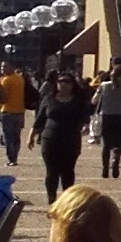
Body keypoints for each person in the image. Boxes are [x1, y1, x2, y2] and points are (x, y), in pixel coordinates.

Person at [34, 70, 89, 203]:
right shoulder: (49, 99)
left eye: (67, 82)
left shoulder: (78, 101)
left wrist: (86, 126)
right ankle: (52, 199)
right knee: (51, 172)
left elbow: (85, 117)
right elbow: (40, 119)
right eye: (60, 81)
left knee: (68, 172)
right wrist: (32, 135)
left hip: (71, 140)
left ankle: (66, 200)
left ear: (72, 85)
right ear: (56, 84)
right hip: (50, 140)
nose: (63, 84)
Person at [93, 69, 121, 179]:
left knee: (106, 144)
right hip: (120, 115)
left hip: (106, 116)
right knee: (118, 143)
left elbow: (94, 100)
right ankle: (115, 161)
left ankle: (105, 168)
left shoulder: (104, 85)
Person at [0, 61, 28, 164]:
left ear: (12, 67)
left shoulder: (6, 80)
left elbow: (3, 96)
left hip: (7, 111)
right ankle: (15, 157)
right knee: (16, 136)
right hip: (20, 111)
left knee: (8, 136)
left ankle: (11, 158)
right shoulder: (20, 78)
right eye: (1, 66)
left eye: (5, 66)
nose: (2, 68)